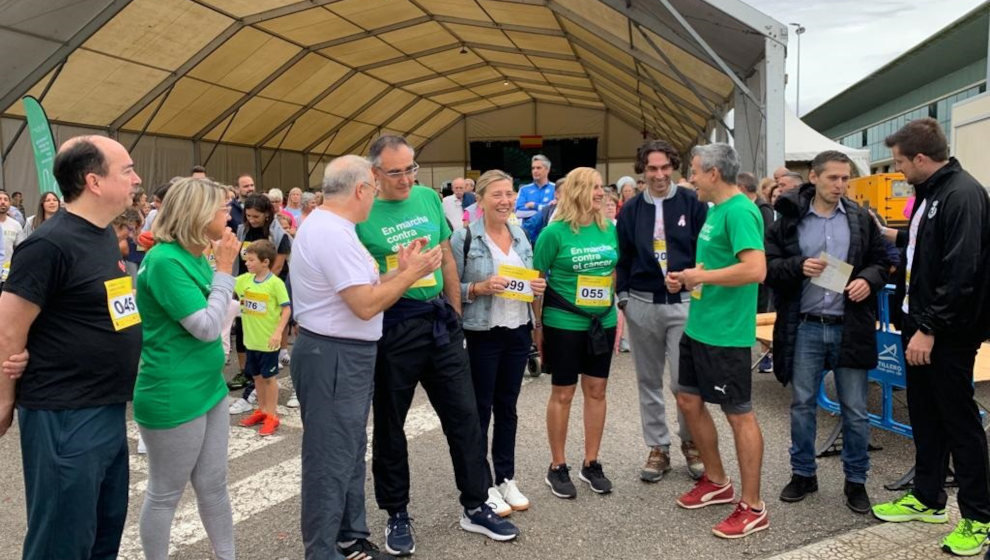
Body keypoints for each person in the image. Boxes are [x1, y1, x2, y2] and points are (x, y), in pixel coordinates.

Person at [356, 135, 520, 555]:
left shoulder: (428, 198)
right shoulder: (361, 212)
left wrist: (454, 310)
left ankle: (475, 503)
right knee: (391, 425)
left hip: (440, 323)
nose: (407, 178)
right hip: (393, 326)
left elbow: (445, 253)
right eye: (397, 172)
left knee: (465, 417)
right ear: (374, 174)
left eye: (412, 168)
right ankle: (396, 512)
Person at [0, 135, 142, 559]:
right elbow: (8, 328)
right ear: (93, 181)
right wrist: (4, 398)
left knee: (102, 529)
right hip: (65, 413)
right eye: (127, 170)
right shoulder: (49, 244)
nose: (136, 179)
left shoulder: (100, 235)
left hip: (107, 406)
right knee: (62, 538)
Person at [871, 118, 990, 558]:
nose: (898, 171)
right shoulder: (931, 194)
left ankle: (979, 518)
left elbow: (962, 273)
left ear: (921, 158)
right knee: (925, 416)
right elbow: (925, 248)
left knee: (960, 423)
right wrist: (888, 235)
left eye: (900, 162)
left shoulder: (962, 195)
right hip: (917, 323)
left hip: (946, 333)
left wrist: (928, 329)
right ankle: (928, 498)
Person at [765, 150, 889, 515]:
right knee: (802, 404)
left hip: (848, 326)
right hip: (804, 325)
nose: (840, 185)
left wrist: (868, 279)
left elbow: (883, 262)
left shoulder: (860, 219)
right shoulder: (789, 219)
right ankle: (803, 473)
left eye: (845, 178)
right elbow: (768, 266)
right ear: (814, 178)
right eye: (833, 178)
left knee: (855, 409)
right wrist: (798, 265)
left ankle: (856, 481)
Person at [133, 177, 239, 560]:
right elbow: (206, 326)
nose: (229, 212)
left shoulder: (194, 255)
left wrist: (221, 272)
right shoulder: (164, 261)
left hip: (208, 385)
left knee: (214, 484)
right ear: (197, 214)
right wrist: (225, 270)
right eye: (222, 207)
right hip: (173, 392)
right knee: (165, 492)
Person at [669, 143, 768, 539]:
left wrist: (701, 278)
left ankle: (753, 506)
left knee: (738, 414)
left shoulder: (741, 210)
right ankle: (717, 481)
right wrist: (689, 275)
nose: (690, 178)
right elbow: (720, 264)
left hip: (726, 333)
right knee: (688, 400)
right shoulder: (715, 211)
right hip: (700, 325)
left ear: (713, 173)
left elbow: (755, 269)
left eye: (694, 171)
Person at [451, 169, 547, 517]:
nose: (505, 201)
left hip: (517, 329)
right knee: (480, 409)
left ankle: (506, 476)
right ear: (480, 200)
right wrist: (477, 288)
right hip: (482, 333)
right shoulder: (464, 239)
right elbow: (452, 291)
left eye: (510, 194)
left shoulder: (520, 234)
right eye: (497, 195)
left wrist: (537, 288)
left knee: (508, 407)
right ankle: (483, 482)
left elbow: (531, 279)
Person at [616, 139, 708, 484]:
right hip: (641, 303)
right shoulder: (631, 209)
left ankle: (692, 443)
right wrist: (624, 298)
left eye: (664, 168)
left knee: (684, 381)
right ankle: (658, 448)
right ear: (643, 170)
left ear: (673, 167)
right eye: (652, 168)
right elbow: (622, 257)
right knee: (648, 380)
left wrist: (692, 284)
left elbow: (706, 251)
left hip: (683, 304)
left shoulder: (692, 202)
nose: (658, 175)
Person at [533, 167, 619, 499]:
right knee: (564, 394)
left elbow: (611, 270)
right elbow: (536, 281)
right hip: (564, 322)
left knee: (596, 391)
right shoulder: (553, 233)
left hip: (603, 323)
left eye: (602, 188)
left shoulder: (608, 227)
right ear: (578, 191)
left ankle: (591, 462)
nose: (601, 193)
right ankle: (557, 466)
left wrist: (612, 309)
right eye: (595, 188)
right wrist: (537, 327)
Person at [228, 193, 293, 409]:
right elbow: (239, 259)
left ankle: (260, 391)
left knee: (265, 336)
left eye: (256, 216)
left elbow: (276, 268)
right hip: (247, 285)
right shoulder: (242, 230)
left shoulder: (279, 235)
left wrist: (259, 286)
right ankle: (250, 377)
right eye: (248, 216)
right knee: (245, 332)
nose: (252, 220)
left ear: (267, 214)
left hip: (269, 289)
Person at [235, 239, 291, 437]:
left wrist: (278, 332)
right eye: (246, 260)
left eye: (251, 260)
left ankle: (272, 415)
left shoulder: (275, 284)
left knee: (269, 379)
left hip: (268, 342)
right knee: (257, 377)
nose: (247, 263)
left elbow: (286, 309)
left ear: (265, 262)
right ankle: (262, 410)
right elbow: (224, 283)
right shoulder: (244, 280)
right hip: (251, 341)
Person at [516, 155, 556, 241]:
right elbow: (519, 212)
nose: (535, 171)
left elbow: (555, 212)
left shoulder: (556, 188)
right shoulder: (524, 189)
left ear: (547, 170)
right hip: (528, 237)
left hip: (550, 236)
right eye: (533, 168)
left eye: (538, 168)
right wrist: (545, 208)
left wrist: (534, 206)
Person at [0, 190, 24, 273]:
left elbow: (21, 249)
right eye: (0, 199)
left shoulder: (16, 225)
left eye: (6, 200)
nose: (2, 202)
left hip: (8, 273)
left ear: (10, 204)